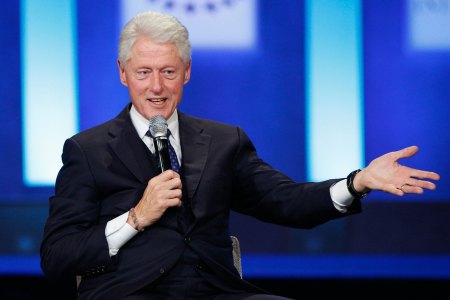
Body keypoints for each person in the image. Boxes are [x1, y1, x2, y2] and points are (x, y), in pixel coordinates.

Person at [40, 11, 440, 300]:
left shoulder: (222, 141)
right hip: (128, 292)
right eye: (144, 72)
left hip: (216, 290)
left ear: (187, 72)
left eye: (168, 71)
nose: (157, 86)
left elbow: (287, 202)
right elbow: (58, 256)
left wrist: (357, 182)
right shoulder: (88, 150)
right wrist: (134, 219)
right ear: (123, 73)